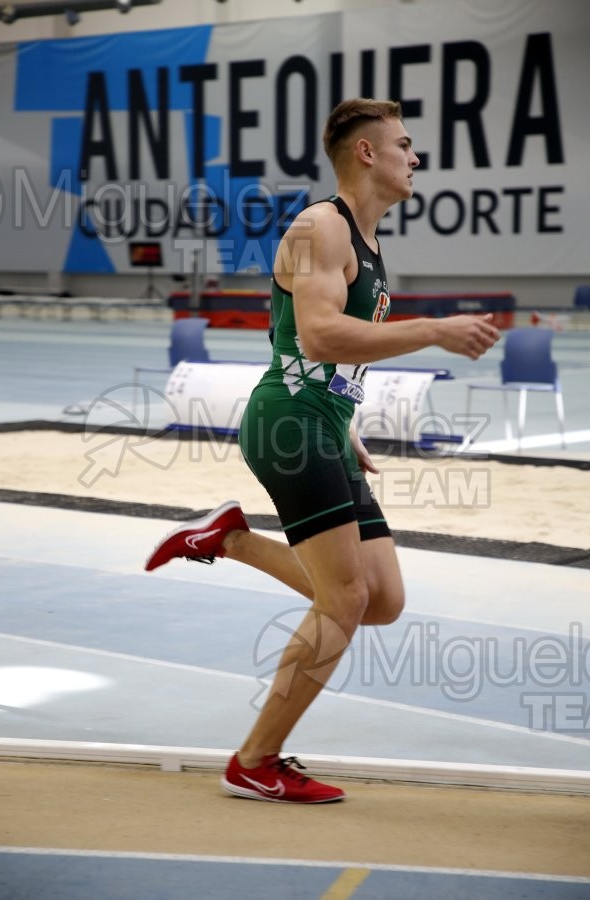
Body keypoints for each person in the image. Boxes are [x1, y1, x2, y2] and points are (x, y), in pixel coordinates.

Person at [145, 98, 500, 804]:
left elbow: (310, 348)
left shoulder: (365, 244)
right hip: (288, 425)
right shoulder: (317, 227)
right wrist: (431, 330)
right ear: (367, 154)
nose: (416, 157)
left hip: (321, 422)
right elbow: (317, 336)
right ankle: (255, 759)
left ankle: (233, 541)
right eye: (404, 144)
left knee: (382, 600)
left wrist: (346, 424)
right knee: (343, 600)